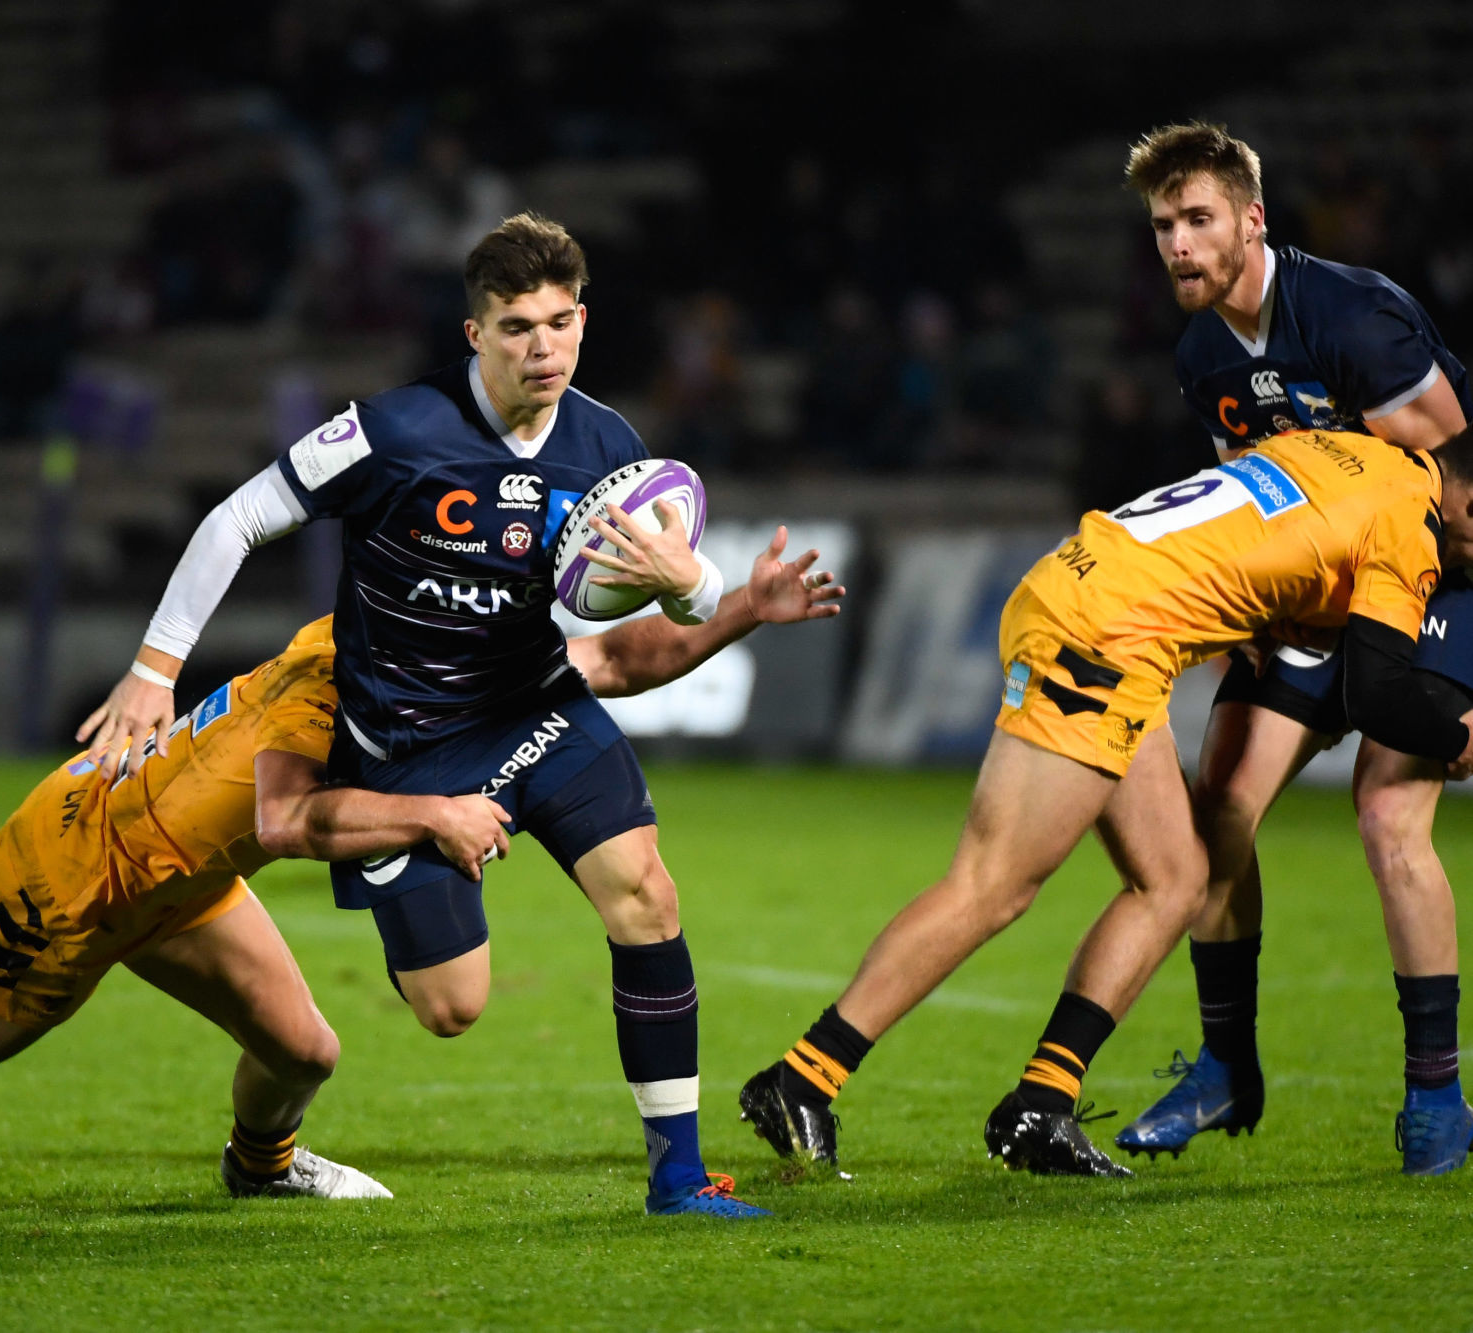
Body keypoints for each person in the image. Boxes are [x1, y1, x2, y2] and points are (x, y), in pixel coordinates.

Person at [0, 538, 842, 1205]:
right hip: (76, 874)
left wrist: (731, 613)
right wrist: (436, 815)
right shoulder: (323, 695)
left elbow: (606, 665)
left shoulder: (415, 640)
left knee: (306, 1055)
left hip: (177, 872)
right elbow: (288, 821)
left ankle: (257, 1167)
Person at [77, 212, 774, 1218]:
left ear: (584, 319)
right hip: (405, 744)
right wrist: (153, 670)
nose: (544, 347)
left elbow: (690, 600)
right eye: (517, 327)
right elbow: (238, 519)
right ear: (474, 334)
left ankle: (676, 1175)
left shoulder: (609, 448)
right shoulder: (393, 433)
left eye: (560, 322)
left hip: (534, 705)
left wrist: (688, 575)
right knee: (452, 1008)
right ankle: (266, 1138)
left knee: (647, 896)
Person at [738, 425, 1473, 1177]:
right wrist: (1453, 729)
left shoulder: (1338, 446)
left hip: (1094, 598)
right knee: (992, 884)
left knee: (1174, 878)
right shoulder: (1405, 524)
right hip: (1103, 639)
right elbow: (1376, 696)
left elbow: (1255, 531)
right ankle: (800, 1079)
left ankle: (1041, 1103)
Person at [1111, 123, 1473, 1175]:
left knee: (1385, 814)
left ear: (1251, 220)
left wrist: (1390, 630)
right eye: (1162, 227)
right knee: (1213, 814)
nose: (1176, 244)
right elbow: (1253, 499)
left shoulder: (1350, 315)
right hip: (1317, 599)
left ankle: (1436, 1099)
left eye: (1196, 220)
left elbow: (1459, 487)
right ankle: (1227, 1066)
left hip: (1438, 582)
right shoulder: (1199, 355)